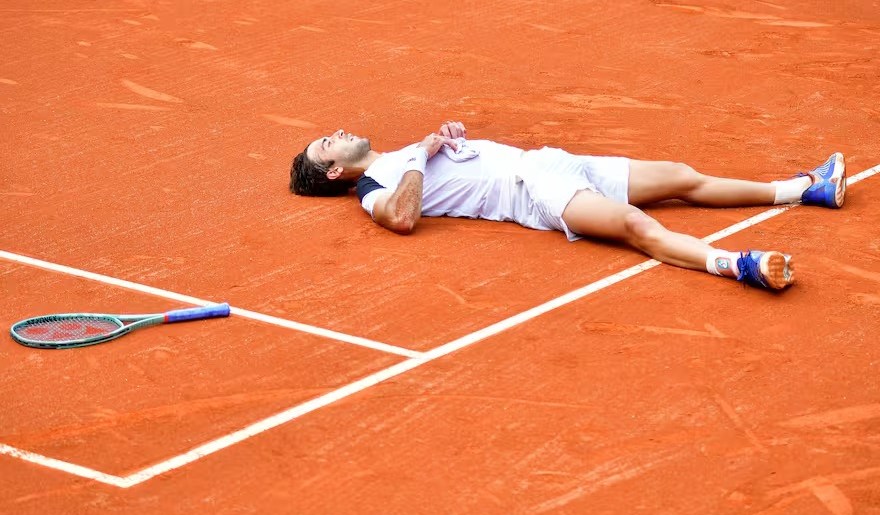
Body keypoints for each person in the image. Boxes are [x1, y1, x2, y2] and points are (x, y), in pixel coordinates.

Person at [289, 121, 846, 291]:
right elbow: (403, 217)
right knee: (632, 225)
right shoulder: (370, 189)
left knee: (681, 177)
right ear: (334, 171)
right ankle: (734, 263)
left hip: (553, 161)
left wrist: (446, 139)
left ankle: (805, 189)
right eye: (326, 145)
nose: (335, 133)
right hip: (535, 193)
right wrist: (426, 152)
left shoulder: (399, 153)